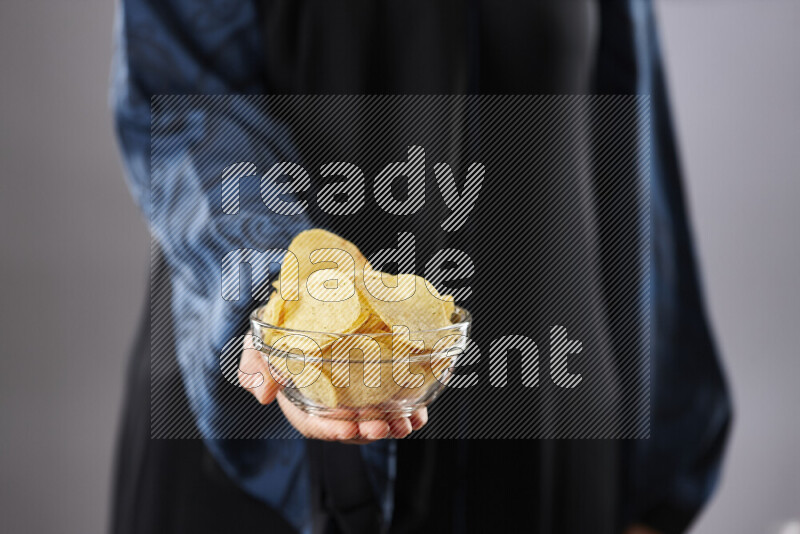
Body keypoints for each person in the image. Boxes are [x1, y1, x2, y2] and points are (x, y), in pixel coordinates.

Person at [111, 1, 731, 533]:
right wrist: (291, 307)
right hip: (264, 448)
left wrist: (660, 481)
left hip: (542, 459)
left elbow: (627, 135)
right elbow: (185, 103)